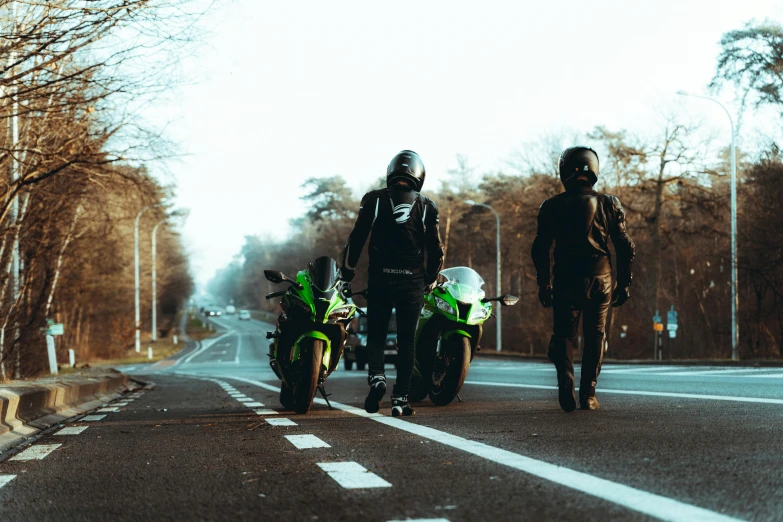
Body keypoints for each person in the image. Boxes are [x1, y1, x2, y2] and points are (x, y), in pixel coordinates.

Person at [531, 146, 636, 412]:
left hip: (566, 280)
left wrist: (544, 284)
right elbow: (625, 246)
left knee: (564, 336)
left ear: (564, 171)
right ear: (595, 170)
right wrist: (624, 283)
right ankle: (588, 395)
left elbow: (540, 248)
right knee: (596, 335)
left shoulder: (551, 206)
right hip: (602, 279)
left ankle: (566, 387)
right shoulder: (610, 203)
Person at [340, 150, 444, 417]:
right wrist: (429, 279)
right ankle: (400, 399)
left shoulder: (374, 200)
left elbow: (357, 239)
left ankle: (377, 379)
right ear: (419, 176)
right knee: (406, 341)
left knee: (375, 334)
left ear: (391, 172)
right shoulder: (427, 207)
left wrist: (347, 273)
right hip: (411, 283)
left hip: (381, 279)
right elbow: (436, 251)